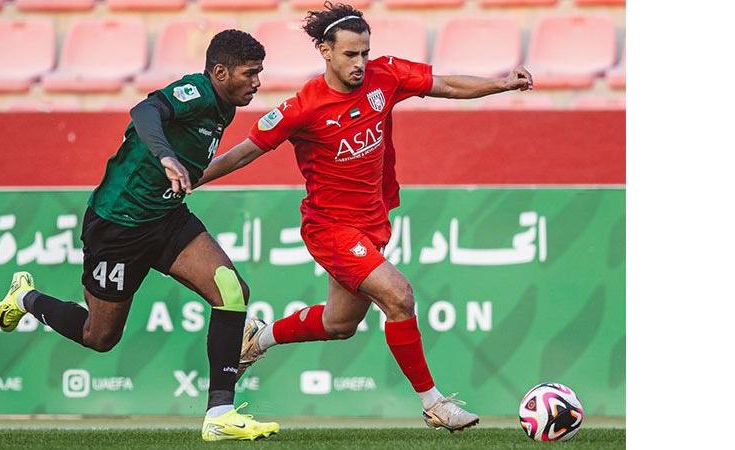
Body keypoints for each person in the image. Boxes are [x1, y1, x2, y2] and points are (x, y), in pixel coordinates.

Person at [196, 2, 533, 432]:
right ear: (325, 51)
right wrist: (191, 177)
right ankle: (434, 403)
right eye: (351, 54)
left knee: (340, 323)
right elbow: (244, 152)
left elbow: (445, 84)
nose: (360, 63)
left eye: (364, 53)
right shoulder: (302, 106)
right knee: (399, 296)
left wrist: (501, 85)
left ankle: (256, 339)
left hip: (372, 222)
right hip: (329, 228)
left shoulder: (385, 76)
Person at [0, 29, 279, 442]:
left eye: (261, 73)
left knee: (231, 290)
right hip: (118, 225)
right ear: (220, 72)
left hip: (165, 218)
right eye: (250, 73)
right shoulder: (196, 92)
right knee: (100, 336)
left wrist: (187, 174)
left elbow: (200, 160)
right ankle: (25, 298)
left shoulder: (225, 105)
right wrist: (165, 156)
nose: (257, 82)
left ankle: (220, 413)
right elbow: (145, 111)